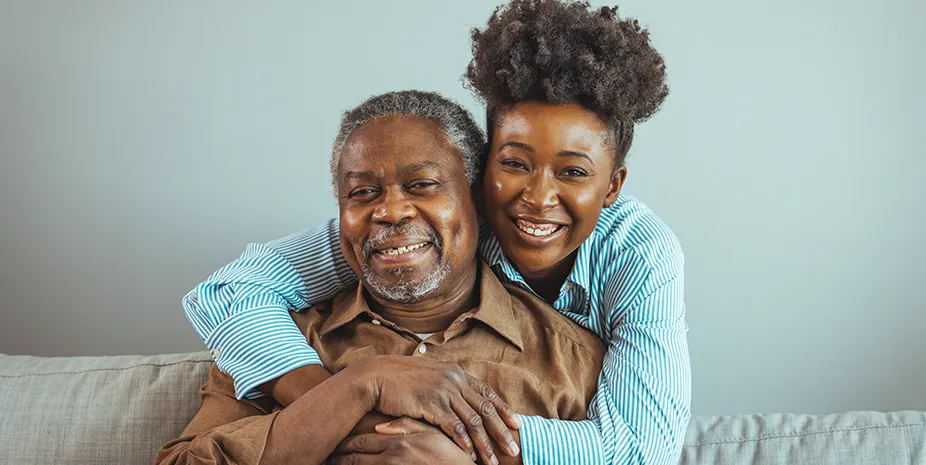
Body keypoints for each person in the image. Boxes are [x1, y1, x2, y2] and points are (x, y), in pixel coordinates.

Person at [183, 1, 691, 464]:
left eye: (574, 172)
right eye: (514, 164)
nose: (536, 197)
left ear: (612, 186)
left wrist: (466, 448)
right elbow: (233, 290)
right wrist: (354, 390)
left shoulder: (622, 284)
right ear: (484, 177)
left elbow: (639, 448)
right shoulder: (383, 257)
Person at [156, 90, 605, 465]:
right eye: (362, 192)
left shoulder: (571, 361)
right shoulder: (275, 343)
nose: (389, 211)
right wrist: (360, 386)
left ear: (478, 204)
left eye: (422, 184)